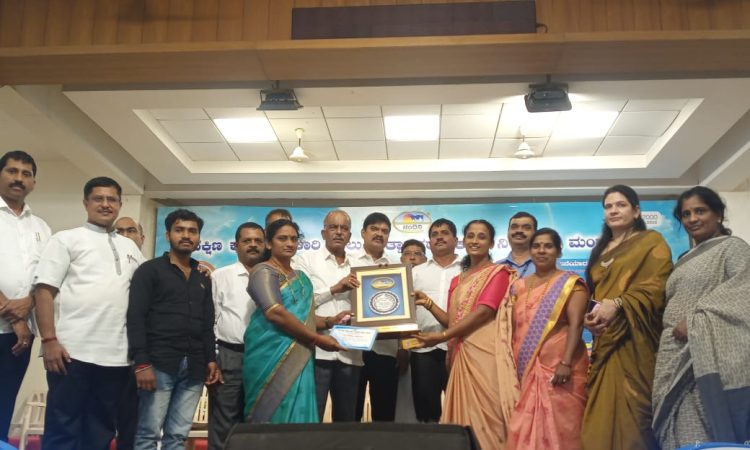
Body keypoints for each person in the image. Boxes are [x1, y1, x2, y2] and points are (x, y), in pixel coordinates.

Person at [33, 177, 144, 450]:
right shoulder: (66, 239)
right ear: (86, 203)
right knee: (63, 429)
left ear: (119, 204)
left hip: (117, 357)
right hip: (70, 353)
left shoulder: (130, 247)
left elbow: (150, 286)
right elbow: (43, 291)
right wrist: (49, 340)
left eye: (112, 199)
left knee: (100, 432)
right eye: (98, 199)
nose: (105, 204)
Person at [652, 186, 750, 447]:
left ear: (718, 214)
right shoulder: (684, 258)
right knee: (674, 427)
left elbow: (744, 293)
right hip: (674, 356)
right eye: (686, 214)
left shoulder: (733, 248)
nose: (692, 219)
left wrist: (695, 319)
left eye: (700, 211)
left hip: (707, 356)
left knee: (703, 432)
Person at [581, 184, 672, 450]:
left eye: (621, 205)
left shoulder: (651, 241)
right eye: (608, 206)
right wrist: (590, 318)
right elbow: (595, 294)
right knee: (598, 420)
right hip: (606, 340)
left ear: (636, 211)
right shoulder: (600, 250)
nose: (613, 210)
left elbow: (658, 287)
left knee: (636, 416)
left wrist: (620, 304)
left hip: (637, 340)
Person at [414, 219, 517, 450]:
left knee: (488, 412)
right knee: (463, 416)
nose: (475, 241)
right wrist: (428, 303)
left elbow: (484, 312)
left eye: (482, 236)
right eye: (470, 236)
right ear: (464, 241)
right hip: (459, 352)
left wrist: (442, 337)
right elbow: (452, 321)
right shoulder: (458, 279)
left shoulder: (498, 273)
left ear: (492, 243)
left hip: (485, 353)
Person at [128, 209, 221, 450]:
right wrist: (141, 363)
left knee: (178, 436)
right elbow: (136, 317)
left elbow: (207, 323)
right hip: (158, 363)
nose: (186, 235)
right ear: (168, 235)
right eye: (179, 230)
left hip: (195, 367)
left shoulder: (202, 277)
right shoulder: (150, 271)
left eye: (192, 231)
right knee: (148, 433)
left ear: (199, 237)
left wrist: (210, 359)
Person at [244, 219, 342, 423]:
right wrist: (317, 339)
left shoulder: (302, 277)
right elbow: (275, 313)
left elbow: (307, 319)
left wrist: (331, 320)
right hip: (268, 354)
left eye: (294, 239)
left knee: (299, 413)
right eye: (282, 238)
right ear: (268, 243)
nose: (289, 243)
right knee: (270, 413)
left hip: (301, 355)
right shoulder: (263, 271)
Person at [506, 228, 589, 450]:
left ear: (558, 251)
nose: (541, 250)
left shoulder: (571, 283)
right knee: (524, 421)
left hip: (558, 365)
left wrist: (566, 362)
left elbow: (576, 324)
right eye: (536, 246)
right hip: (524, 365)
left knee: (562, 423)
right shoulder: (518, 286)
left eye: (548, 246)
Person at [0, 151, 50, 443]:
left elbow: (46, 277)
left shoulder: (41, 227)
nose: (19, 178)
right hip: (16, 327)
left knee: (5, 404)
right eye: (12, 171)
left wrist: (29, 304)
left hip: (20, 338)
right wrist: (15, 317)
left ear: (33, 182)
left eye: (26, 174)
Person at [294, 210, 360, 422]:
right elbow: (300, 303)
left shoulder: (361, 266)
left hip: (350, 351)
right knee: (312, 416)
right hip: (317, 350)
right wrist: (334, 289)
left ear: (350, 235)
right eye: (333, 227)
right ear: (323, 233)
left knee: (346, 419)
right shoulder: (304, 261)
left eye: (344, 228)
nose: (339, 232)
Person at [208, 222, 265, 449]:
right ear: (236, 245)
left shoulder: (273, 276)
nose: (253, 245)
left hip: (263, 357)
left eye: (258, 241)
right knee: (224, 420)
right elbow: (210, 320)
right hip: (229, 355)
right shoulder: (221, 276)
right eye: (247, 240)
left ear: (265, 245)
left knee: (258, 419)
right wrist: (213, 358)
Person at [352, 212, 404, 422]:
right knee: (350, 411)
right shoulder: (348, 262)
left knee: (384, 413)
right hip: (354, 349)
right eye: (374, 229)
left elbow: (404, 310)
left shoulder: (397, 266)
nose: (379, 234)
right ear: (363, 233)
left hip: (386, 348)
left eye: (384, 231)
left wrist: (402, 346)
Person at [409, 219, 461, 423]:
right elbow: (406, 309)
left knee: (459, 406)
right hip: (423, 347)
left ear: (456, 239)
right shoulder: (416, 272)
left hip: (458, 347)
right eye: (434, 234)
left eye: (445, 233)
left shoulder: (467, 270)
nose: (439, 237)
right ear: (429, 242)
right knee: (425, 408)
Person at [113, 216, 145, 450]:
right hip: (103, 355)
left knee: (131, 423)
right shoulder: (103, 265)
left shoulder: (152, 269)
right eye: (120, 231)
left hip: (137, 359)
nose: (125, 236)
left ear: (142, 238)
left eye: (131, 230)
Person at [495, 212, 537, 278]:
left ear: (535, 233)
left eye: (526, 227)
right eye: (514, 227)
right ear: (508, 231)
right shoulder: (495, 267)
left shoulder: (549, 266)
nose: (519, 231)